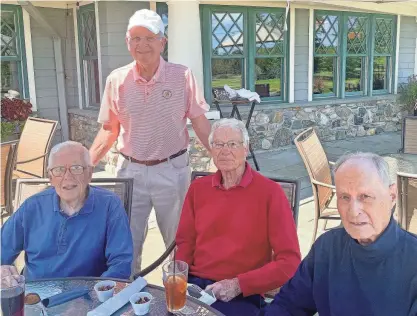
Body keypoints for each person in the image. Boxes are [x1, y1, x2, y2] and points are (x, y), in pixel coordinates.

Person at [89, 9, 211, 275]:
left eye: (149, 37)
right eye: (135, 38)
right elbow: (109, 129)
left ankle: (178, 297)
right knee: (126, 243)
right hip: (129, 171)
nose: (142, 45)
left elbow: (200, 122)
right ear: (127, 43)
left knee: (178, 242)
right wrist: (86, 164)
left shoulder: (182, 76)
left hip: (172, 170)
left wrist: (221, 156)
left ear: (162, 42)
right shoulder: (117, 80)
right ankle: (128, 296)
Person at [260, 152, 417, 316]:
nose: (353, 211)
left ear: (391, 196)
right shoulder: (327, 247)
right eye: (344, 197)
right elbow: (288, 306)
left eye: (365, 196)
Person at [175, 118, 301, 316]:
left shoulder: (271, 193)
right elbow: (185, 242)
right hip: (196, 287)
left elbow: (290, 262)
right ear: (211, 149)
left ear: (246, 148)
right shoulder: (198, 189)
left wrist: (239, 284)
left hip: (241, 293)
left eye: (233, 144)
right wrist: (178, 279)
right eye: (218, 144)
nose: (225, 150)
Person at [1, 141, 133, 281]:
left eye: (76, 168)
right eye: (59, 170)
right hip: (35, 296)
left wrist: (96, 295)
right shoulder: (32, 207)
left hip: (88, 296)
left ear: (89, 173)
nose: (67, 177)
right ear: (50, 177)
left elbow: (121, 265)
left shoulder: (110, 205)